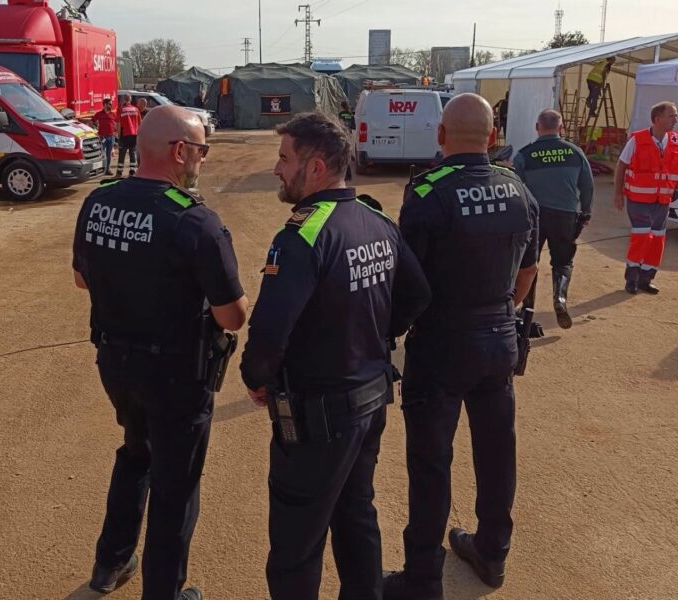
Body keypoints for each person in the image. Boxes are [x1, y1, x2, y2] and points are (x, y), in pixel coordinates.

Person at [240, 112, 431, 600]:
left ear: (317, 167)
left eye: (285, 159)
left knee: (295, 545)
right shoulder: (377, 219)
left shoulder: (303, 234)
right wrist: (374, 337)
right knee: (356, 514)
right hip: (369, 401)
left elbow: (268, 332)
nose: (277, 169)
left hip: (317, 417)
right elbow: (416, 295)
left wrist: (257, 377)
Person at [72, 105, 248, 600]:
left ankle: (110, 564)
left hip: (116, 363)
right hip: (176, 375)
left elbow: (83, 278)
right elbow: (232, 316)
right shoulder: (195, 222)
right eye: (201, 150)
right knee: (176, 485)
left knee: (135, 453)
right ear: (179, 151)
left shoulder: (98, 201)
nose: (203, 160)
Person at [383, 93, 539, 600]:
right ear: (493, 137)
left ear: (441, 137)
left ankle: (423, 579)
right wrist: (507, 311)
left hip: (441, 344)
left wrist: (393, 331)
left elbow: (409, 280)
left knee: (431, 462)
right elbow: (531, 267)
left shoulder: (428, 192)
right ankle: (493, 554)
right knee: (498, 452)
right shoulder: (517, 188)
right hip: (500, 338)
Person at [514, 109, 594, 328]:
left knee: (529, 263)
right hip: (565, 217)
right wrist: (586, 211)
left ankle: (527, 307)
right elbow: (587, 186)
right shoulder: (575, 153)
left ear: (537, 128)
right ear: (561, 128)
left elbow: (517, 188)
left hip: (534, 218)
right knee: (563, 261)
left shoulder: (524, 155)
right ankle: (560, 299)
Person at [613, 101, 678, 294]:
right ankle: (631, 279)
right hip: (639, 200)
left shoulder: (675, 141)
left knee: (657, 240)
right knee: (641, 237)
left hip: (663, 201)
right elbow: (621, 166)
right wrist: (618, 194)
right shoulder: (637, 140)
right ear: (657, 119)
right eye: (671, 116)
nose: (675, 119)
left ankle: (646, 279)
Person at [116, 93, 142, 177]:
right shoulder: (136, 109)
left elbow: (119, 124)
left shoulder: (120, 110)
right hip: (134, 134)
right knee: (132, 153)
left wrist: (119, 135)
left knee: (122, 154)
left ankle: (119, 173)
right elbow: (140, 123)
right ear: (130, 99)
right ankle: (132, 172)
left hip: (124, 134)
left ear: (124, 99)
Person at [92, 97, 117, 175]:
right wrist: (95, 128)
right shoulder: (99, 114)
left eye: (111, 104)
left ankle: (107, 170)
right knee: (101, 154)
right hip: (102, 137)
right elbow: (92, 121)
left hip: (111, 137)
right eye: (109, 104)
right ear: (105, 105)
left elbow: (118, 123)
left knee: (109, 154)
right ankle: (100, 169)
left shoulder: (113, 114)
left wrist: (116, 132)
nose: (111, 105)